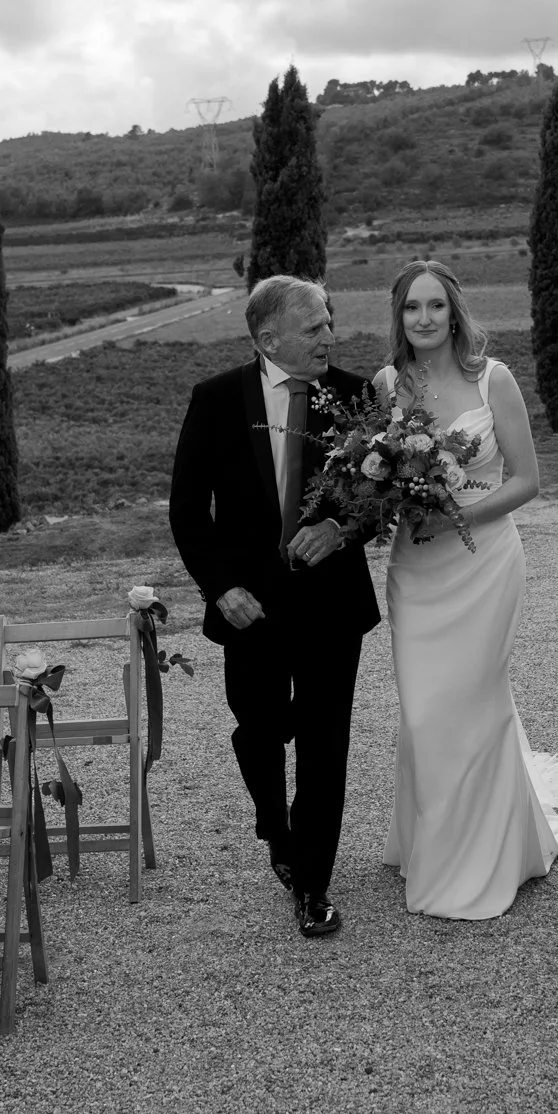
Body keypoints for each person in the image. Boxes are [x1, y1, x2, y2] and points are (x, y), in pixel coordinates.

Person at [375, 261, 558, 919]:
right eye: (411, 307)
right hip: (415, 570)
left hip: (484, 563)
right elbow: (374, 472)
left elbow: (527, 480)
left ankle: (478, 861)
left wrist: (457, 517)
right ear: (399, 316)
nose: (423, 319)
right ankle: (434, 842)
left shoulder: (490, 377)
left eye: (434, 306)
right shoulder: (388, 383)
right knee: (422, 713)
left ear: (453, 312)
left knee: (472, 703)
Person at [169, 276, 379, 938]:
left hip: (330, 605)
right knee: (259, 731)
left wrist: (342, 529)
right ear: (268, 338)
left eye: (329, 323)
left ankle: (312, 882)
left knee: (324, 743)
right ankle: (275, 829)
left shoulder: (353, 396)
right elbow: (187, 512)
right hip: (248, 608)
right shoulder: (215, 400)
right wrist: (218, 585)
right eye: (314, 326)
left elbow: (379, 496)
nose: (329, 335)